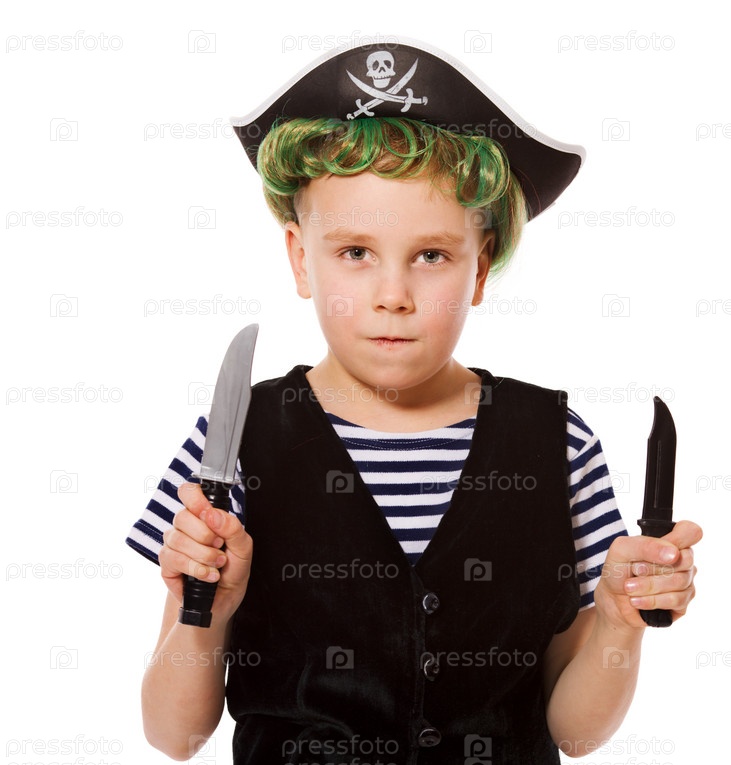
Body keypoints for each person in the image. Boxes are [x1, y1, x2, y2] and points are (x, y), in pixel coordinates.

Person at [126, 37, 701, 764]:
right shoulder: (233, 442)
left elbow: (574, 733)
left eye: (431, 255)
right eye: (354, 252)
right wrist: (206, 609)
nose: (392, 295)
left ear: (479, 268)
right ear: (300, 259)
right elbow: (172, 735)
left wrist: (618, 623)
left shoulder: (557, 443)